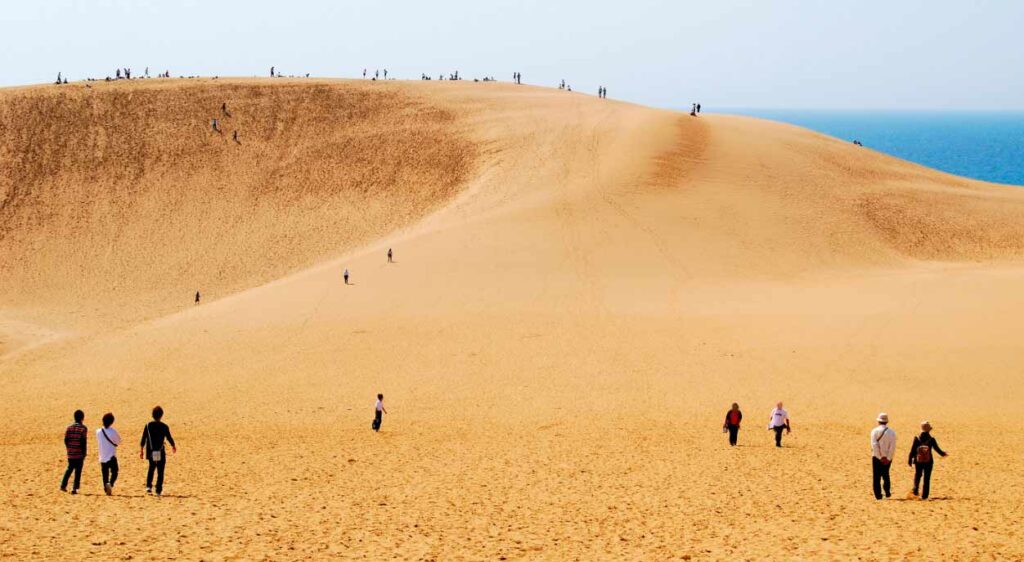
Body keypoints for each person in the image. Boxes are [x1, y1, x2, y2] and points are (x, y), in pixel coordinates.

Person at [140, 406, 176, 497]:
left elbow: (143, 438)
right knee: (160, 470)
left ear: (152, 415)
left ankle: (148, 486)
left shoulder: (148, 425)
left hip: (150, 450)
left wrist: (141, 450)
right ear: (161, 415)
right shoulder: (164, 426)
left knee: (151, 467)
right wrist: (173, 445)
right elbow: (169, 437)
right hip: (160, 450)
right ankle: (158, 490)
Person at [908, 421, 947, 500]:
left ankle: (915, 490)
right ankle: (925, 495)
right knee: (927, 478)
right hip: (928, 461)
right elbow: (937, 449)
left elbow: (912, 450)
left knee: (918, 475)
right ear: (929, 430)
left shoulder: (917, 438)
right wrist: (943, 454)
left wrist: (909, 459)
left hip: (918, 461)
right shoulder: (931, 439)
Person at [61, 410, 88, 494]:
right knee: (78, 470)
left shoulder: (69, 428)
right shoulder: (83, 428)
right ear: (82, 418)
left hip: (70, 452)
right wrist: (84, 453)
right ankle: (74, 488)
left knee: (69, 468)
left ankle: (63, 485)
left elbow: (65, 440)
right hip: (79, 453)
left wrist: (69, 448)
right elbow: (83, 442)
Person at [871, 413, 897, 500]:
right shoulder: (892, 432)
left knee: (876, 476)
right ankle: (887, 492)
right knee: (886, 474)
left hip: (876, 457)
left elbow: (874, 445)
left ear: (878, 421)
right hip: (887, 458)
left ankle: (878, 495)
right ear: (886, 422)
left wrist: (879, 457)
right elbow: (892, 447)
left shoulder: (874, 431)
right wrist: (888, 458)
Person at [97, 412, 121, 496]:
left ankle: (105, 488)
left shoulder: (98, 432)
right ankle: (110, 484)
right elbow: (118, 441)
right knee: (115, 471)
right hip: (111, 456)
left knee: (105, 474)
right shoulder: (113, 431)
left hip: (102, 456)